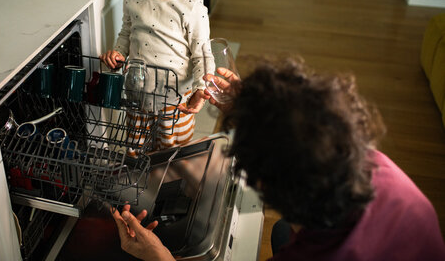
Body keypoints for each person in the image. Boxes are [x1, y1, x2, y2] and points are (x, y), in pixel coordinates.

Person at [112, 56, 445, 260]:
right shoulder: (374, 164)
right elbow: (302, 127)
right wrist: (256, 106)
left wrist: (159, 258)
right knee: (283, 232)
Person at [100, 0, 210, 152]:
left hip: (176, 100)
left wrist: (202, 89)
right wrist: (118, 53)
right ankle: (142, 189)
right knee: (138, 151)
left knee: (172, 154)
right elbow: (127, 33)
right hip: (138, 94)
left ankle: (168, 189)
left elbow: (202, 52)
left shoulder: (191, 6)